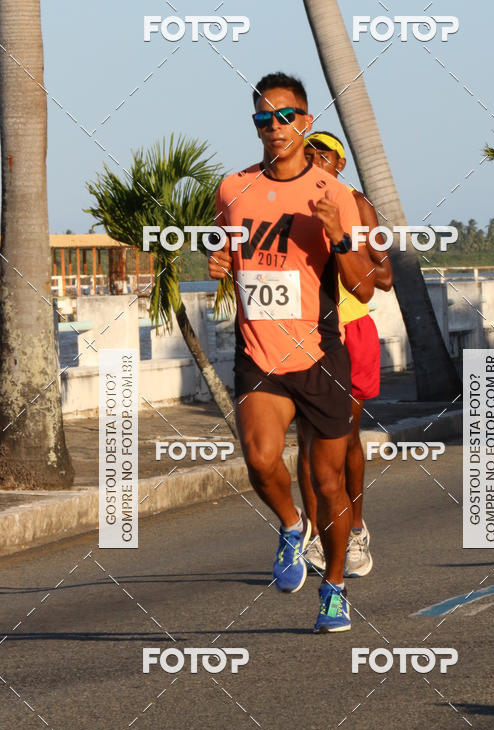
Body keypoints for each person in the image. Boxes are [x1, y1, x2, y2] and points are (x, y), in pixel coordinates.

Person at [208, 72, 375, 633]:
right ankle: (289, 522)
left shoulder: (337, 196)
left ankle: (334, 585)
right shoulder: (232, 189)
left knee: (330, 484)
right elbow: (231, 253)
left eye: (285, 117)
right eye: (263, 118)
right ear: (254, 124)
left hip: (320, 353)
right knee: (259, 459)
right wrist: (221, 265)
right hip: (259, 351)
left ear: (305, 122)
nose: (274, 127)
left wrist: (340, 236)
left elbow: (364, 288)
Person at [299, 131, 392, 578]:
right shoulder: (290, 200)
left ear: (339, 164)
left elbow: (386, 275)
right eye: (308, 152)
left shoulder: (358, 204)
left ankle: (355, 529)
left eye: (324, 155)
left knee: (346, 436)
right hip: (306, 331)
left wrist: (346, 251)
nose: (315, 159)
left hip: (351, 327)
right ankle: (316, 536)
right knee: (305, 441)